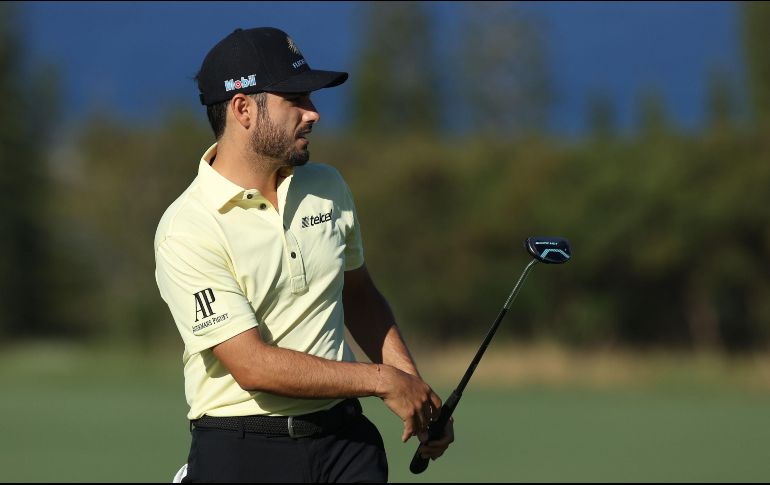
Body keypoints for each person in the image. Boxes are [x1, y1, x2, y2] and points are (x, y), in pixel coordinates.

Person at [154, 27, 454, 483]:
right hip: (242, 449)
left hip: (345, 444)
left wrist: (417, 393)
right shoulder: (187, 227)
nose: (313, 113)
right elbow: (251, 365)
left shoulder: (328, 185)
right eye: (294, 99)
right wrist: (382, 381)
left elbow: (358, 294)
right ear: (242, 109)